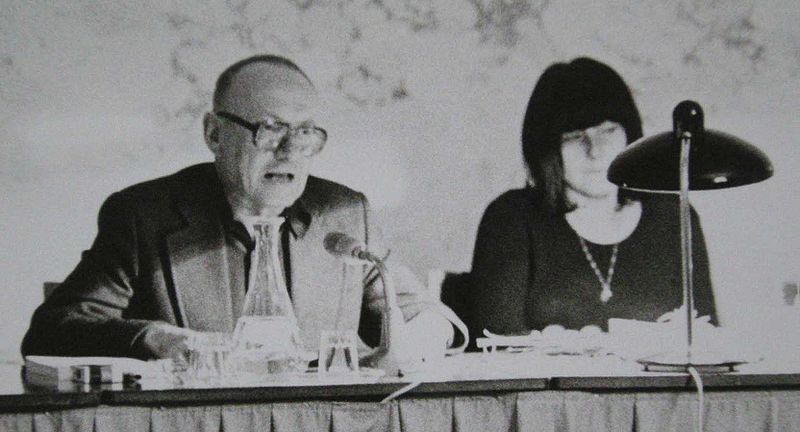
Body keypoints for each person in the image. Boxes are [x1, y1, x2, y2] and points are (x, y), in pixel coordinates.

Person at [21, 55, 457, 361]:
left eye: (305, 133)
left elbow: (421, 311)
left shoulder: (344, 212)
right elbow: (55, 327)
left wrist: (422, 336)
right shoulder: (144, 216)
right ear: (214, 134)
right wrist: (155, 338)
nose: (289, 151)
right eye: (269, 130)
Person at [469, 57, 717, 336]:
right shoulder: (510, 218)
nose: (595, 150)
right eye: (574, 136)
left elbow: (707, 338)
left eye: (608, 130)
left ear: (630, 134)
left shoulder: (672, 215)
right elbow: (496, 345)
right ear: (546, 148)